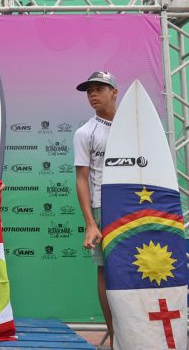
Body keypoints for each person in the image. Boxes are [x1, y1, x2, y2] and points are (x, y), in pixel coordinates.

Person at [73, 70, 118, 346]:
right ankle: (115, 336)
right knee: (106, 270)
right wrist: (91, 222)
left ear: (114, 91)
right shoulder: (85, 132)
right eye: (89, 89)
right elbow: (81, 178)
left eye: (99, 88)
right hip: (104, 206)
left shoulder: (135, 125)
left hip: (137, 205)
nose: (92, 93)